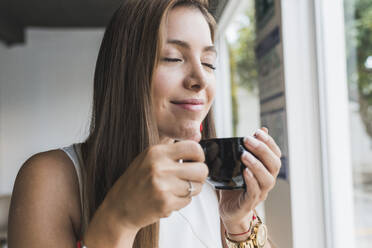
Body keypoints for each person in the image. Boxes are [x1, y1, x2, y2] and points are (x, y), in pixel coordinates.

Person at [7, 0, 282, 247]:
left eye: (209, 62)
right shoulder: (50, 179)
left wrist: (239, 223)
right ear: (125, 70)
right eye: (174, 58)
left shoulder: (215, 179)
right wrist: (118, 220)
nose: (200, 79)